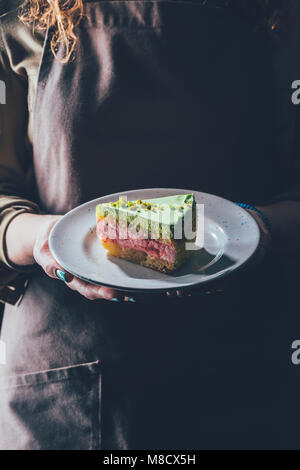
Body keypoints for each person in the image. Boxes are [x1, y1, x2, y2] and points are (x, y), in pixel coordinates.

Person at [0, 0, 299, 450]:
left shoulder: (280, 17)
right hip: (65, 378)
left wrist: (255, 229)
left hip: (239, 364)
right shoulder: (19, 19)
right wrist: (44, 239)